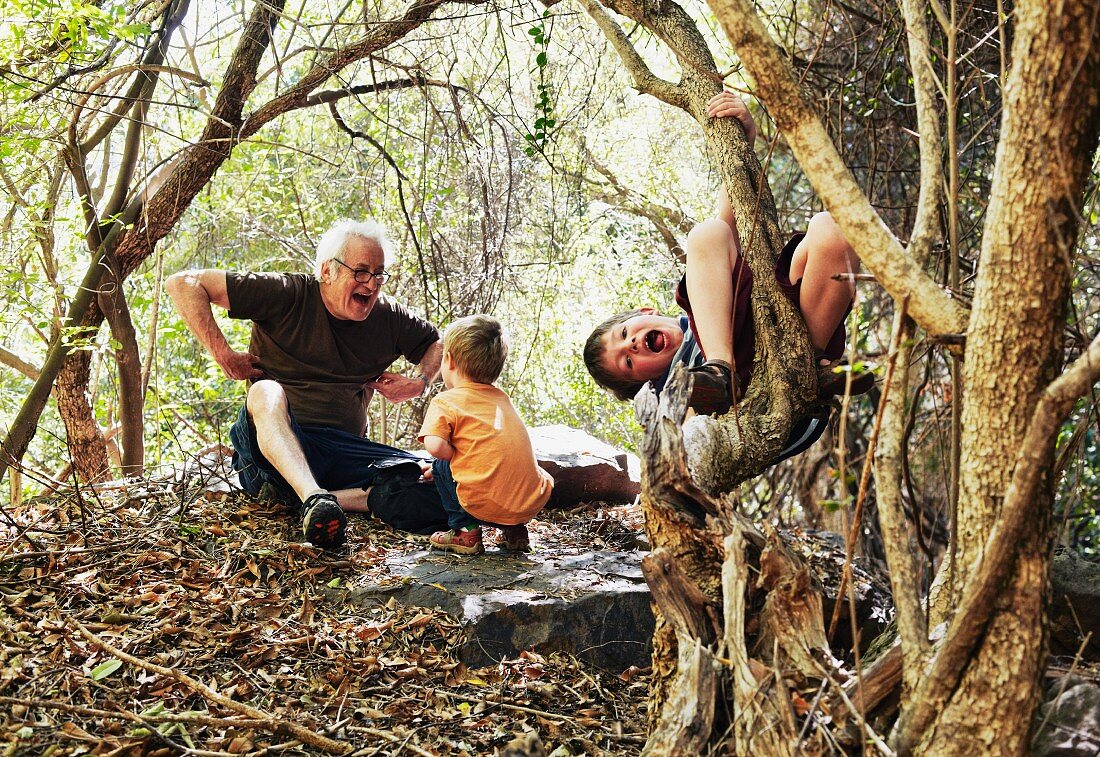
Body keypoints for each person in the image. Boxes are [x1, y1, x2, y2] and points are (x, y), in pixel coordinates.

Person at [584, 91, 873, 464]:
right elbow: (681, 430)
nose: (634, 344)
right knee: (711, 238)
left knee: (829, 229)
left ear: (645, 311)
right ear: (643, 382)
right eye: (627, 362)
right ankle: (723, 376)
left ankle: (804, 363)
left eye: (625, 334)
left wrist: (743, 142)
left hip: (797, 338)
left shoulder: (701, 312)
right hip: (763, 408)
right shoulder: (667, 389)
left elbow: (728, 223)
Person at [166, 219, 449, 549]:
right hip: (268, 453)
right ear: (328, 271)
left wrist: (419, 382)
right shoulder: (287, 293)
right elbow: (183, 283)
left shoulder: (388, 317)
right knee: (266, 391)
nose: (371, 284)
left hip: (344, 453)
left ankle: (322, 500)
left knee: (437, 479)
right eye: (360, 272)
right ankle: (312, 496)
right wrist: (222, 352)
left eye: (378, 274)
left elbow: (439, 343)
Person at [418, 315, 554, 555]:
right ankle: (515, 531)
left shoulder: (446, 401)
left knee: (440, 465)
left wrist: (454, 460)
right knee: (507, 467)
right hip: (528, 501)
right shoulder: (502, 398)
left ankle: (464, 531)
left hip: (482, 503)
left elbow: (436, 446)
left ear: (448, 361)